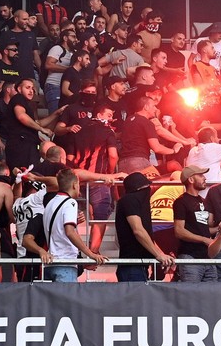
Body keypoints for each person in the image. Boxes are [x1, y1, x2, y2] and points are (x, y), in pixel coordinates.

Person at [66, 102, 118, 254]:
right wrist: (109, 174)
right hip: (98, 180)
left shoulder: (77, 132)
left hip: (79, 181)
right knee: (99, 218)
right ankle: (93, 253)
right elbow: (113, 155)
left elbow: (70, 158)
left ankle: (84, 250)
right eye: (109, 115)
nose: (111, 119)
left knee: (85, 216)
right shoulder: (107, 131)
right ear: (99, 115)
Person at [42, 169, 107, 282]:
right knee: (67, 299)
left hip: (50, 263)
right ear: (74, 185)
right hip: (65, 263)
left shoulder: (51, 203)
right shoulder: (70, 203)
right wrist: (91, 254)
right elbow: (70, 232)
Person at [115, 172, 175, 282]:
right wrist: (159, 255)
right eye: (146, 187)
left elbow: (146, 235)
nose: (148, 189)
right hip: (131, 266)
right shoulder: (129, 200)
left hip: (140, 266)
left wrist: (162, 255)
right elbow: (138, 230)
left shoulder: (138, 203)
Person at [173, 165, 221, 283]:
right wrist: (205, 240)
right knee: (191, 295)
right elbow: (179, 231)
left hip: (207, 257)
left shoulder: (203, 201)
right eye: (200, 175)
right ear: (190, 179)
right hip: (190, 256)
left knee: (211, 295)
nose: (204, 178)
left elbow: (204, 229)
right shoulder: (181, 202)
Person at [3, 78, 63, 171]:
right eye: (27, 87)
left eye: (33, 89)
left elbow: (36, 123)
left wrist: (57, 113)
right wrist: (41, 129)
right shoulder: (18, 98)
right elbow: (21, 116)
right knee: (25, 175)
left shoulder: (26, 104)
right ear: (19, 89)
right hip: (21, 146)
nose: (31, 91)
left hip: (26, 146)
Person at [118, 96, 183, 173]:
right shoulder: (147, 122)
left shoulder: (127, 121)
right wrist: (173, 150)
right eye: (153, 106)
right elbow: (157, 148)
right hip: (139, 163)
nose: (156, 109)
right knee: (154, 184)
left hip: (122, 164)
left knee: (172, 165)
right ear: (146, 107)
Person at [185, 115, 221, 194]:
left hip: (193, 193)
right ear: (211, 139)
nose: (218, 139)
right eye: (217, 137)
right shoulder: (213, 147)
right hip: (208, 194)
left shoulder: (192, 150)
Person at [43, 27, 77, 112]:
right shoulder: (57, 48)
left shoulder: (72, 52)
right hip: (54, 85)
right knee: (54, 115)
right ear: (65, 38)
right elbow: (48, 64)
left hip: (64, 88)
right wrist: (68, 70)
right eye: (73, 37)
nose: (75, 39)